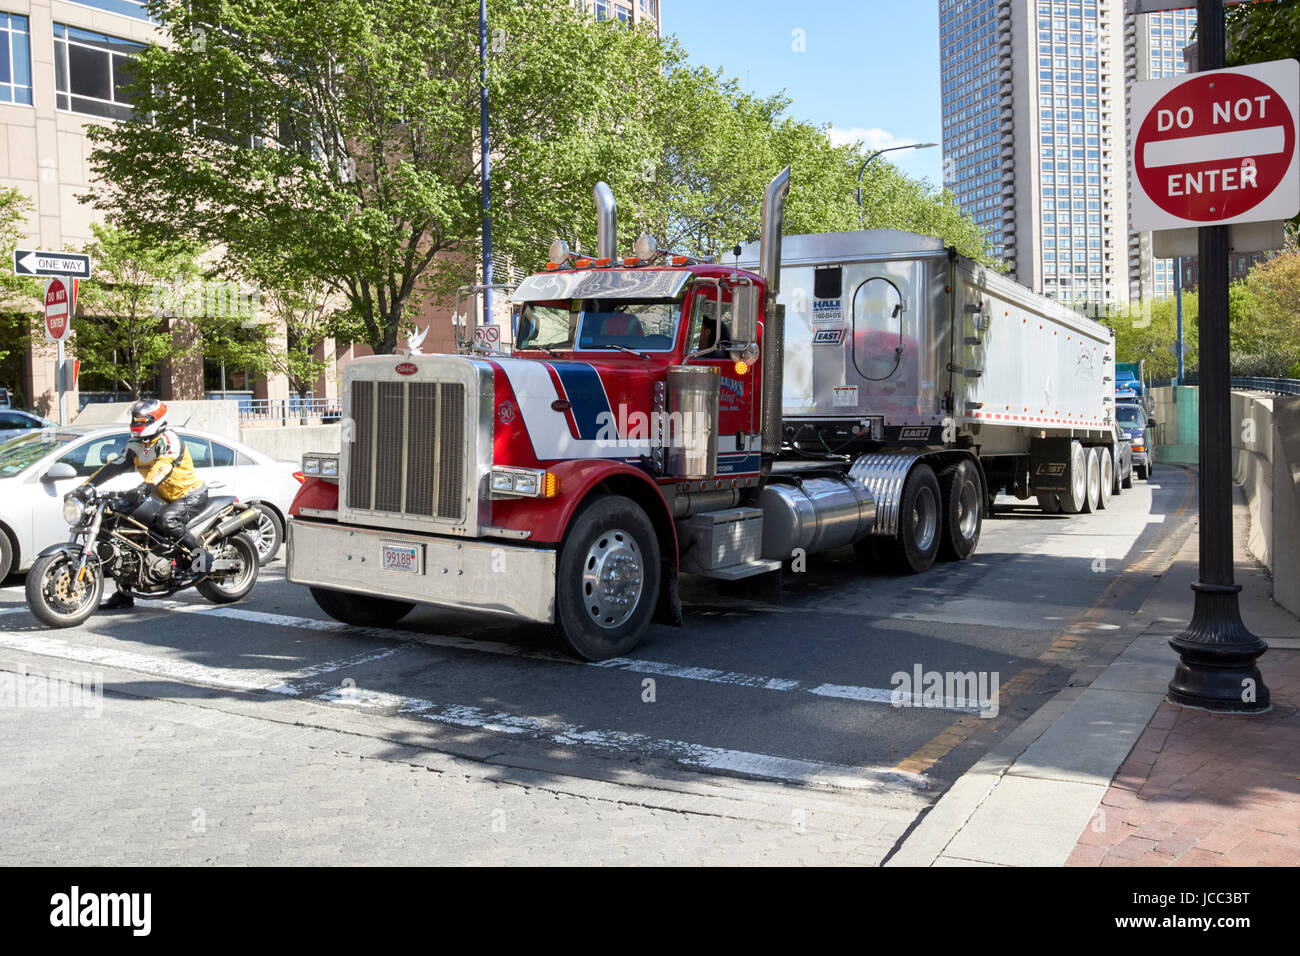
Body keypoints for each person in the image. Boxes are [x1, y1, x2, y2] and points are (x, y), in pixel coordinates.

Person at [82, 399, 210, 610]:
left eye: (142, 420)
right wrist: (87, 486)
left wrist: (145, 486)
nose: (137, 423)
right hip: (162, 496)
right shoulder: (135, 445)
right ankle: (125, 593)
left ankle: (202, 559)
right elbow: (113, 467)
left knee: (166, 521)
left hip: (189, 494)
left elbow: (162, 466)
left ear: (156, 420)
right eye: (135, 419)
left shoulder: (169, 440)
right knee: (121, 528)